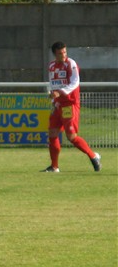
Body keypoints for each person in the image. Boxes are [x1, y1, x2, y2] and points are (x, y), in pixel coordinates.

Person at [42, 41, 101, 172]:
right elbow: (53, 83)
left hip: (69, 104)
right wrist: (54, 97)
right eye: (60, 53)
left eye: (64, 52)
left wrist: (60, 92)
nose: (63, 55)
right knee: (52, 133)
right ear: (54, 54)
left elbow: (75, 83)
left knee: (71, 137)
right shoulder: (51, 66)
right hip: (58, 105)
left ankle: (93, 156)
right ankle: (54, 166)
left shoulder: (71, 64)